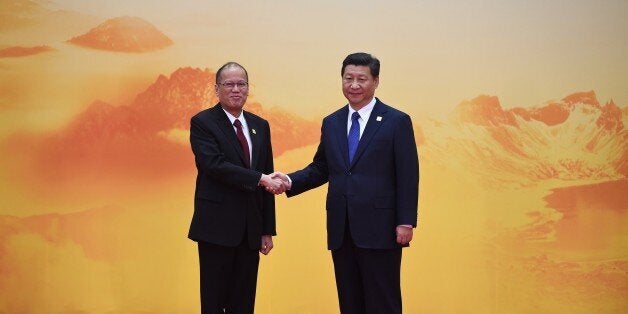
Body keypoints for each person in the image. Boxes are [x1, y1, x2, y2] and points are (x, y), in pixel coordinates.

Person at [272, 52, 419, 314]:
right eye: (348, 78)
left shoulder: (396, 121)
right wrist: (289, 180)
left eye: (362, 79)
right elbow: (322, 167)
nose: (354, 85)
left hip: (381, 229)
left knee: (383, 302)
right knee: (350, 303)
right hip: (342, 229)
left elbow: (408, 174)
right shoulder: (332, 122)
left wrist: (405, 221)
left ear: (376, 81)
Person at [188, 62, 283, 313]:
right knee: (214, 301)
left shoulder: (259, 126)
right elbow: (214, 165)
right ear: (216, 89)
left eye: (241, 84)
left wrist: (266, 229)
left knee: (244, 303)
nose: (236, 89)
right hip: (216, 229)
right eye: (229, 84)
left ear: (248, 88)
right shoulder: (203, 122)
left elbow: (267, 175)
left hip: (249, 232)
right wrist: (260, 178)